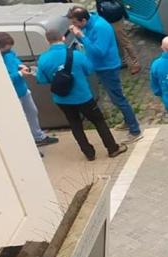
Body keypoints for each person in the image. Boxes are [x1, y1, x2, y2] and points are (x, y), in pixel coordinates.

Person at [35, 28, 126, 161]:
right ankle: (112, 148)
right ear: (63, 38)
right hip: (83, 96)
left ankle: (88, 153)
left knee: (75, 124)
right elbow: (89, 70)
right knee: (98, 121)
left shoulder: (43, 59)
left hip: (62, 99)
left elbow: (41, 80)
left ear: (47, 41)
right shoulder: (77, 55)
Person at [67, 7, 142, 140]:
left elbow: (99, 51)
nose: (74, 26)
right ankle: (128, 122)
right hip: (100, 66)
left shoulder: (100, 27)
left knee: (118, 99)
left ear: (83, 20)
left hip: (108, 67)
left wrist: (81, 36)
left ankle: (135, 130)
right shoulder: (89, 24)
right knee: (115, 98)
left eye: (75, 22)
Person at [0, 33, 58, 147]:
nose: (8, 51)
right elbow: (4, 79)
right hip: (13, 94)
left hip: (22, 90)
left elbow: (15, 61)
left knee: (32, 112)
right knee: (20, 118)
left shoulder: (9, 54)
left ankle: (37, 136)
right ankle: (28, 141)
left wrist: (21, 66)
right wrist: (20, 73)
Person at [94, 0, 140, 74]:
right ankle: (123, 61)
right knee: (116, 42)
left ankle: (136, 63)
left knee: (124, 42)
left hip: (115, 20)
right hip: (109, 19)